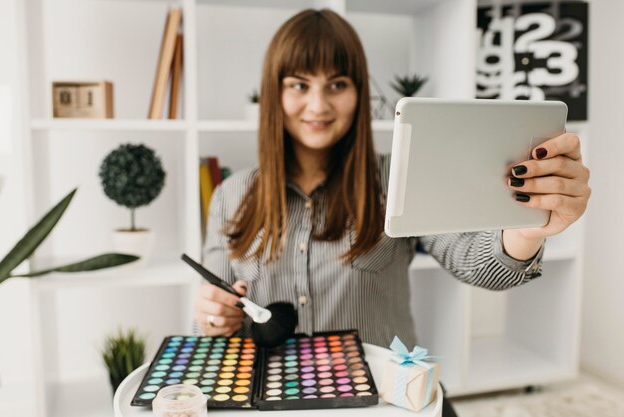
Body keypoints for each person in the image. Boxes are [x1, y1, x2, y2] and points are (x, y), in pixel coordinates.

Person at [194, 9, 591, 416]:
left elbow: (474, 262)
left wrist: (528, 229)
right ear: (273, 92)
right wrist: (214, 317)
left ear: (360, 91)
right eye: (299, 84)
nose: (318, 104)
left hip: (387, 401)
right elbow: (213, 322)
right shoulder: (231, 195)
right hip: (277, 403)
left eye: (337, 84)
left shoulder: (398, 177)